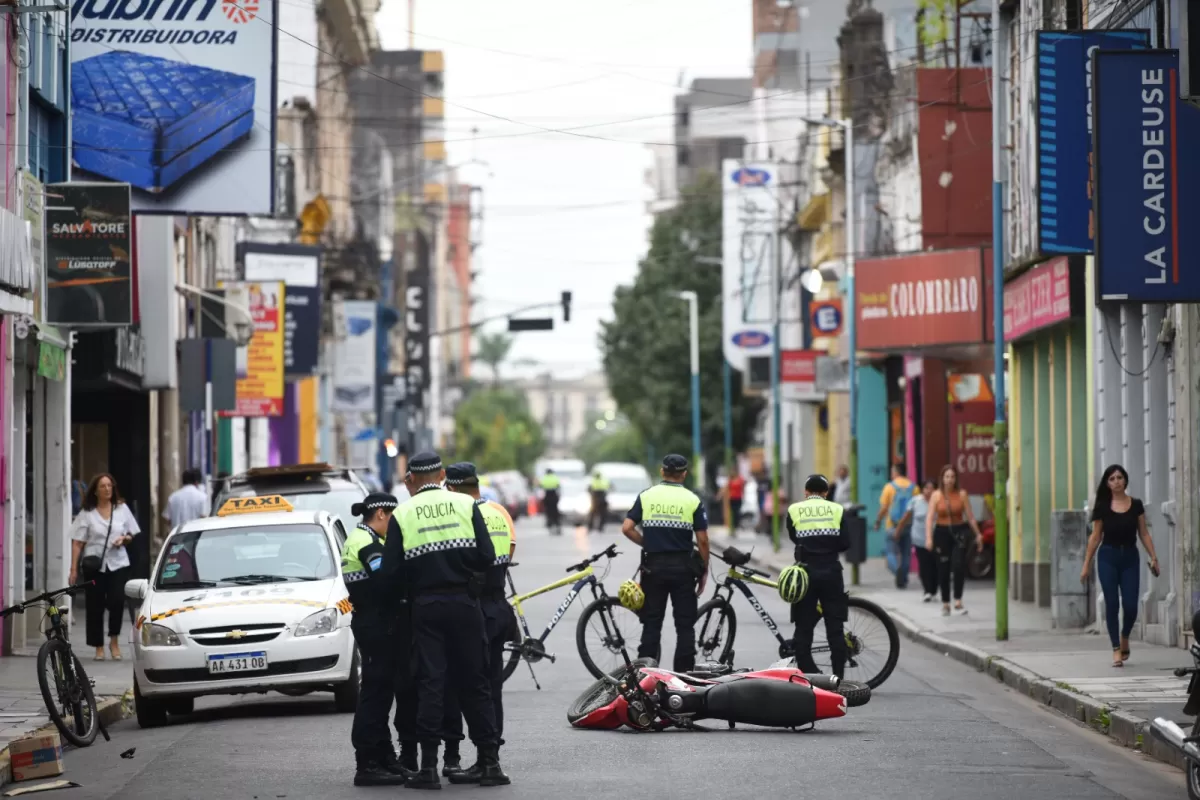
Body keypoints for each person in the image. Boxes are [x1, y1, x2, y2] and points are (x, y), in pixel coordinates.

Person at [380, 451, 507, 789]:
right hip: (465, 604)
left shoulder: (403, 513)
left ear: (412, 479)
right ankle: (490, 763)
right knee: (476, 681)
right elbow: (487, 555)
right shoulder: (466, 505)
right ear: (442, 474)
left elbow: (390, 571)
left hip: (426, 606)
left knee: (431, 683)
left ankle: (429, 768)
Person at [443, 462, 518, 779]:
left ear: (454, 488)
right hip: (499, 605)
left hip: (472, 608)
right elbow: (510, 551)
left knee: (461, 685)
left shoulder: (460, 514)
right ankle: (491, 755)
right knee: (492, 685)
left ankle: (460, 756)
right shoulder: (500, 512)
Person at [340, 492, 409, 786]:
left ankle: (384, 757)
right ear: (381, 513)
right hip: (375, 624)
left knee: (382, 691)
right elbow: (384, 585)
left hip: (374, 623)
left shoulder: (366, 538)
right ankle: (367, 763)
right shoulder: (367, 545)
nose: (395, 527)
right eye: (393, 519)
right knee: (375, 694)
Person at [621, 454, 709, 673]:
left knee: (651, 624)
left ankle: (645, 675)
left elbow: (627, 528)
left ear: (662, 472)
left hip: (654, 568)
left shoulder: (647, 496)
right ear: (684, 474)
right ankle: (684, 676)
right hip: (683, 569)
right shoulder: (692, 500)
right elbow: (703, 540)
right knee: (685, 626)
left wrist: (647, 543)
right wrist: (704, 568)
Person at [1081, 464, 1161, 668]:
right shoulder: (1102, 507)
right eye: (1112, 478)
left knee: (1131, 605)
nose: (1116, 481)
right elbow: (1096, 536)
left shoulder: (1136, 505)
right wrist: (1086, 564)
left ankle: (1125, 635)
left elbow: (1143, 533)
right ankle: (1116, 648)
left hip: (1130, 558)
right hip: (1108, 556)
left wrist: (1153, 557)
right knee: (1112, 603)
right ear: (1107, 484)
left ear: (1125, 480)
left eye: (1119, 477)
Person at [69, 473, 141, 662]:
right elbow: (77, 543)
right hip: (95, 565)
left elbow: (131, 534)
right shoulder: (87, 514)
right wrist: (73, 570)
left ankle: (114, 641)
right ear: (96, 490)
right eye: (103, 486)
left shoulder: (121, 509)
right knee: (95, 605)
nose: (107, 489)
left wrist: (124, 539)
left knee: (117, 602)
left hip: (118, 563)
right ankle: (98, 646)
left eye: (109, 485)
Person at [787, 474, 851, 679]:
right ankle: (838, 677)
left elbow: (794, 537)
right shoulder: (837, 509)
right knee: (835, 627)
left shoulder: (794, 509)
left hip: (805, 572)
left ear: (806, 492)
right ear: (826, 492)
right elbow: (845, 543)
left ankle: (809, 677)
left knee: (804, 626)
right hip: (831, 570)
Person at [925, 465, 984, 617]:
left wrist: (978, 534)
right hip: (941, 532)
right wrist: (929, 538)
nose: (949, 480)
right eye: (947, 477)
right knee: (943, 568)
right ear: (942, 479)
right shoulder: (936, 495)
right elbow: (930, 518)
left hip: (959, 532)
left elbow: (970, 516)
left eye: (952, 477)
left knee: (958, 565)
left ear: (956, 478)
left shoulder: (962, 494)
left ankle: (958, 600)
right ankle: (946, 603)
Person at [875, 463, 916, 589]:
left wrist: (878, 521)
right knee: (906, 553)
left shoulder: (889, 487)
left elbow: (884, 508)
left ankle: (897, 570)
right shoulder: (914, 488)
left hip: (892, 525)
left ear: (896, 472)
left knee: (891, 552)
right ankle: (902, 577)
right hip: (908, 525)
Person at [897, 480, 938, 601]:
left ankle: (934, 588)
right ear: (922, 489)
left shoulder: (939, 501)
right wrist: (898, 529)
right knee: (924, 565)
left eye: (932, 488)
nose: (929, 491)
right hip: (919, 539)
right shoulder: (915, 501)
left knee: (935, 565)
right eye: (926, 488)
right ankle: (927, 590)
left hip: (936, 538)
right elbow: (906, 517)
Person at [539, 469, 561, 535]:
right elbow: (558, 486)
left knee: (548, 511)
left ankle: (549, 523)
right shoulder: (555, 477)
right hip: (554, 496)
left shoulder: (544, 478)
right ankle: (557, 524)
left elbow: (541, 486)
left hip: (547, 496)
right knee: (555, 511)